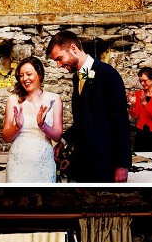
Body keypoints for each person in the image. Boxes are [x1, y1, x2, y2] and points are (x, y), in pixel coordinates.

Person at [46, 30, 131, 183]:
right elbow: (82, 120)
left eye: (59, 59)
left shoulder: (108, 74)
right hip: (83, 162)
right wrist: (63, 141)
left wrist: (122, 164)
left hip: (105, 162)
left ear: (73, 49)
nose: (59, 65)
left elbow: (121, 122)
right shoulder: (76, 79)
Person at [2, 56, 63, 183]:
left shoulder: (54, 99)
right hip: (18, 165)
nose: (25, 79)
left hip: (43, 164)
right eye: (21, 75)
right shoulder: (13, 100)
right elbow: (6, 138)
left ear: (39, 74)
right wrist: (17, 126)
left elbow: (57, 137)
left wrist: (43, 125)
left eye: (29, 74)